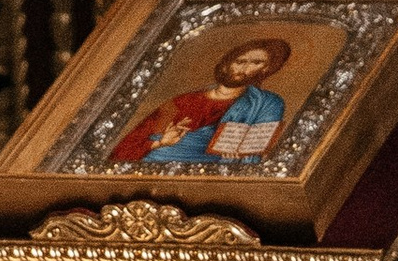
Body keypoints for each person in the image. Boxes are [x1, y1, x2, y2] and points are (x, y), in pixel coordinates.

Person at [111, 35, 294, 171]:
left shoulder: (266, 103)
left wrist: (239, 156)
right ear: (227, 64)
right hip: (152, 167)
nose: (244, 67)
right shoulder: (182, 102)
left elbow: (255, 151)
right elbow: (128, 146)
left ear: (266, 68)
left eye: (256, 62)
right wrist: (159, 143)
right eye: (240, 61)